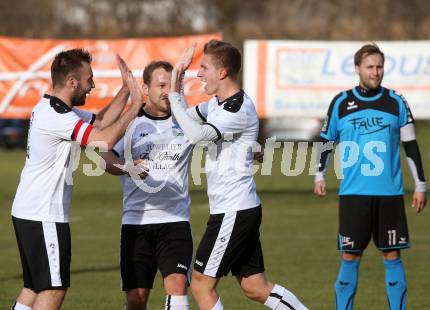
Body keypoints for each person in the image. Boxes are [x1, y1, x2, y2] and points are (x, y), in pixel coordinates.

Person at [168, 40, 308, 310]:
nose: (200, 74)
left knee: (200, 284)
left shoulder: (236, 109)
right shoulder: (217, 105)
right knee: (255, 288)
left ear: (222, 73)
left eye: (204, 68)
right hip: (238, 209)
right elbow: (182, 119)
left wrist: (176, 86)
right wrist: (178, 77)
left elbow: (195, 134)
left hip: (233, 211)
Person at [10, 48, 144, 310]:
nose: (92, 86)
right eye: (89, 79)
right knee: (53, 290)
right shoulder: (56, 116)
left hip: (30, 212)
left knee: (33, 287)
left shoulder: (55, 108)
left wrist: (126, 90)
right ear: (72, 81)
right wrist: (137, 106)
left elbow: (102, 120)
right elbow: (103, 140)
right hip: (43, 214)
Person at [314, 43, 427, 310]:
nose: (376, 72)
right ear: (357, 69)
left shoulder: (396, 102)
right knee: (349, 256)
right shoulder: (341, 102)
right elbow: (326, 141)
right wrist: (319, 175)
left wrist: (420, 185)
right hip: (354, 195)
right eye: (370, 67)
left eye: (379, 66)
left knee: (392, 254)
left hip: (390, 194)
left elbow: (410, 146)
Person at [101, 60, 194, 310]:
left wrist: (252, 149)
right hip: (136, 224)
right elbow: (104, 157)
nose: (167, 91)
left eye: (170, 85)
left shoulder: (186, 122)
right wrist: (127, 168)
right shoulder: (131, 123)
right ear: (145, 88)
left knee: (177, 288)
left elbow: (219, 137)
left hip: (176, 221)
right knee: (136, 299)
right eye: (161, 85)